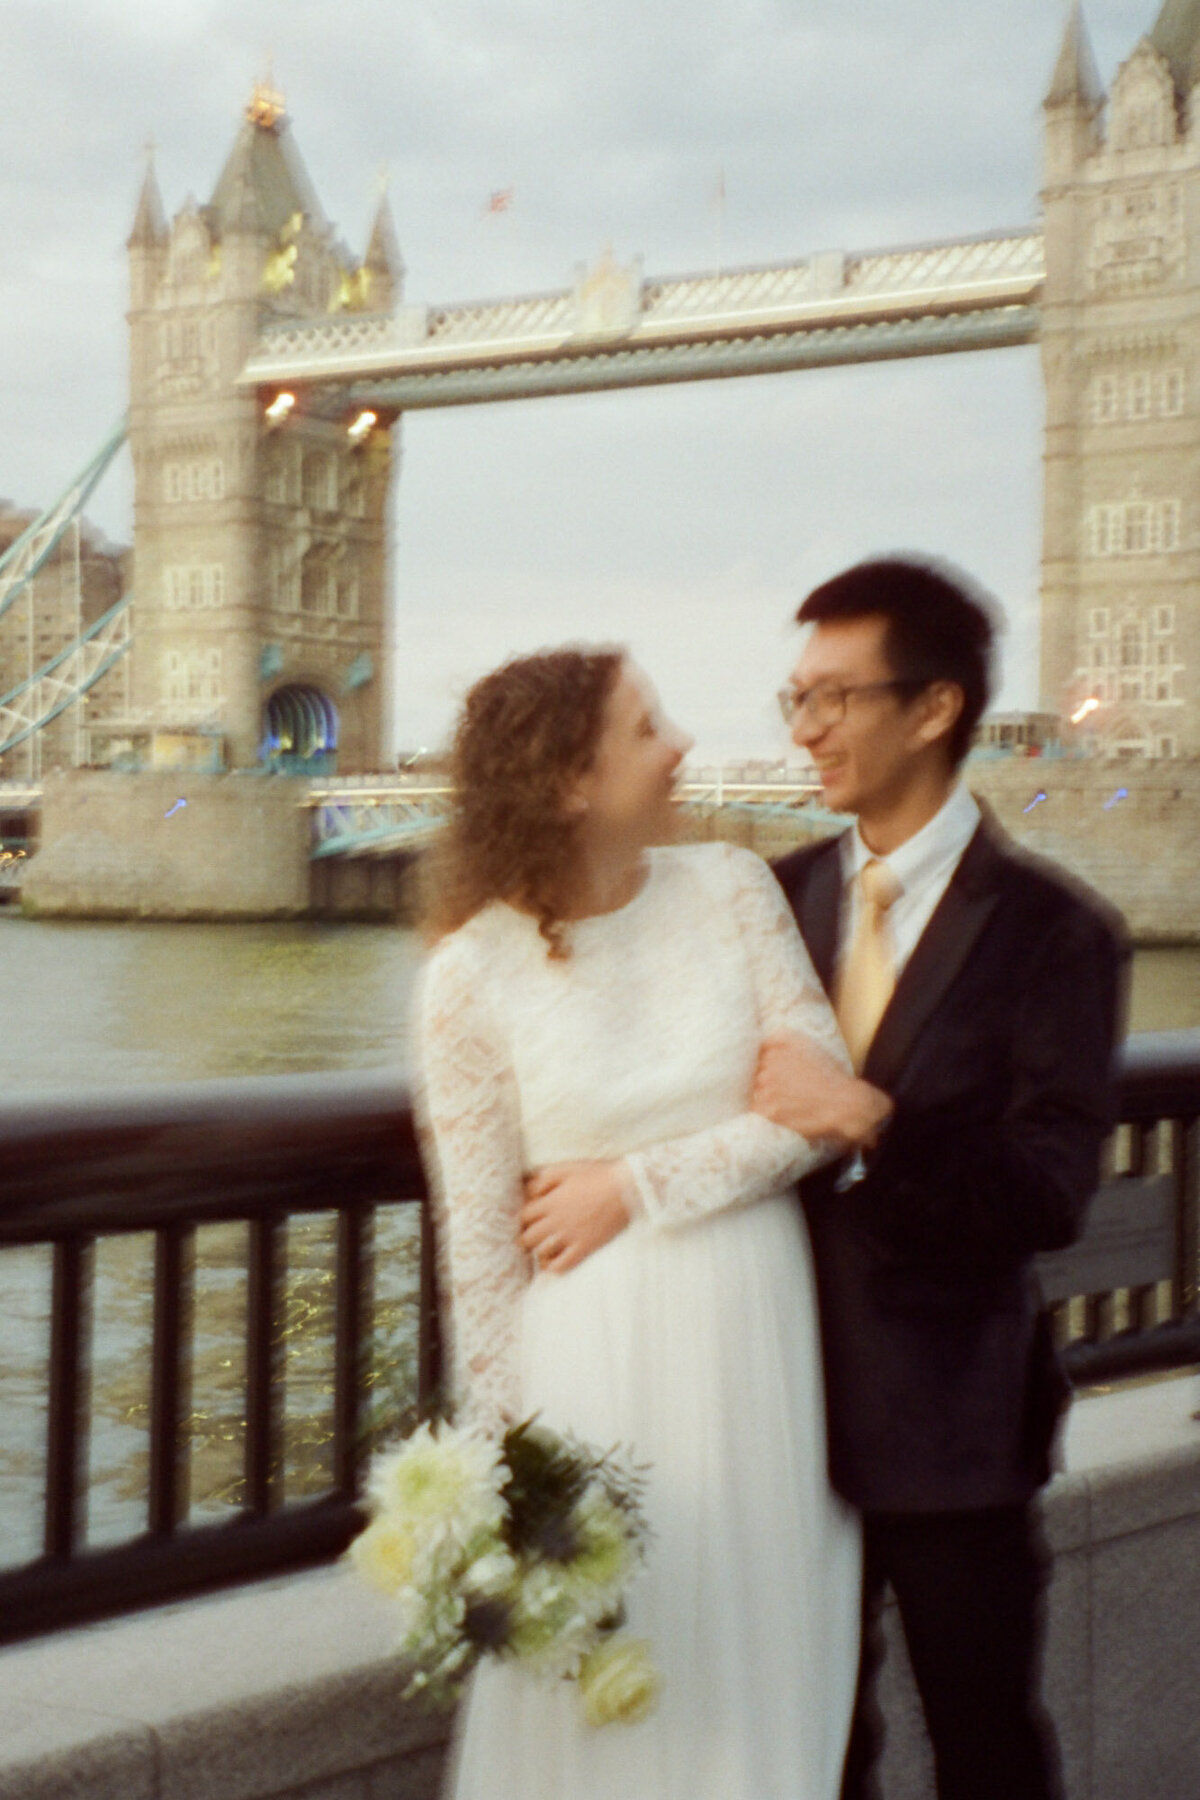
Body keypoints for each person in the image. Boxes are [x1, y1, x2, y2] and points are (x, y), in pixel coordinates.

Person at [415, 646, 881, 1800]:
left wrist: (630, 1186)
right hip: (592, 1369)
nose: (680, 743)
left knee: (760, 1670)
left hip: (754, 1348)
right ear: (571, 781)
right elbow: (478, 1247)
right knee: (607, 1694)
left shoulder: (732, 890)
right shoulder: (468, 976)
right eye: (645, 726)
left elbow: (811, 1118)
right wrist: (504, 1482)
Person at [753, 557, 1126, 1800]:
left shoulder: (1054, 932)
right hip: (771, 1412)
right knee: (812, 1752)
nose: (806, 730)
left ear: (935, 708)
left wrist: (875, 1121)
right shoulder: (768, 899)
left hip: (952, 1428)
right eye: (793, 699)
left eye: (835, 699)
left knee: (984, 1748)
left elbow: (1047, 1192)